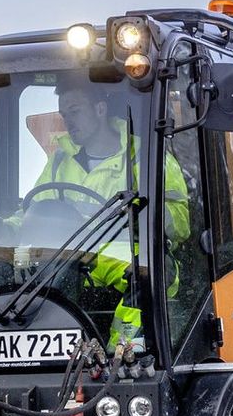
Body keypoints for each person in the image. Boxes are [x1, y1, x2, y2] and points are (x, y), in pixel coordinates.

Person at [26, 75, 191, 348]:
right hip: (68, 258)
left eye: (75, 112)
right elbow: (34, 209)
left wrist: (137, 216)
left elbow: (180, 221)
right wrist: (2, 227)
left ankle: (123, 355)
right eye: (64, 114)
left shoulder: (146, 156)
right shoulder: (59, 162)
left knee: (142, 274)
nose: (69, 121)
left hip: (127, 255)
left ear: (100, 109)